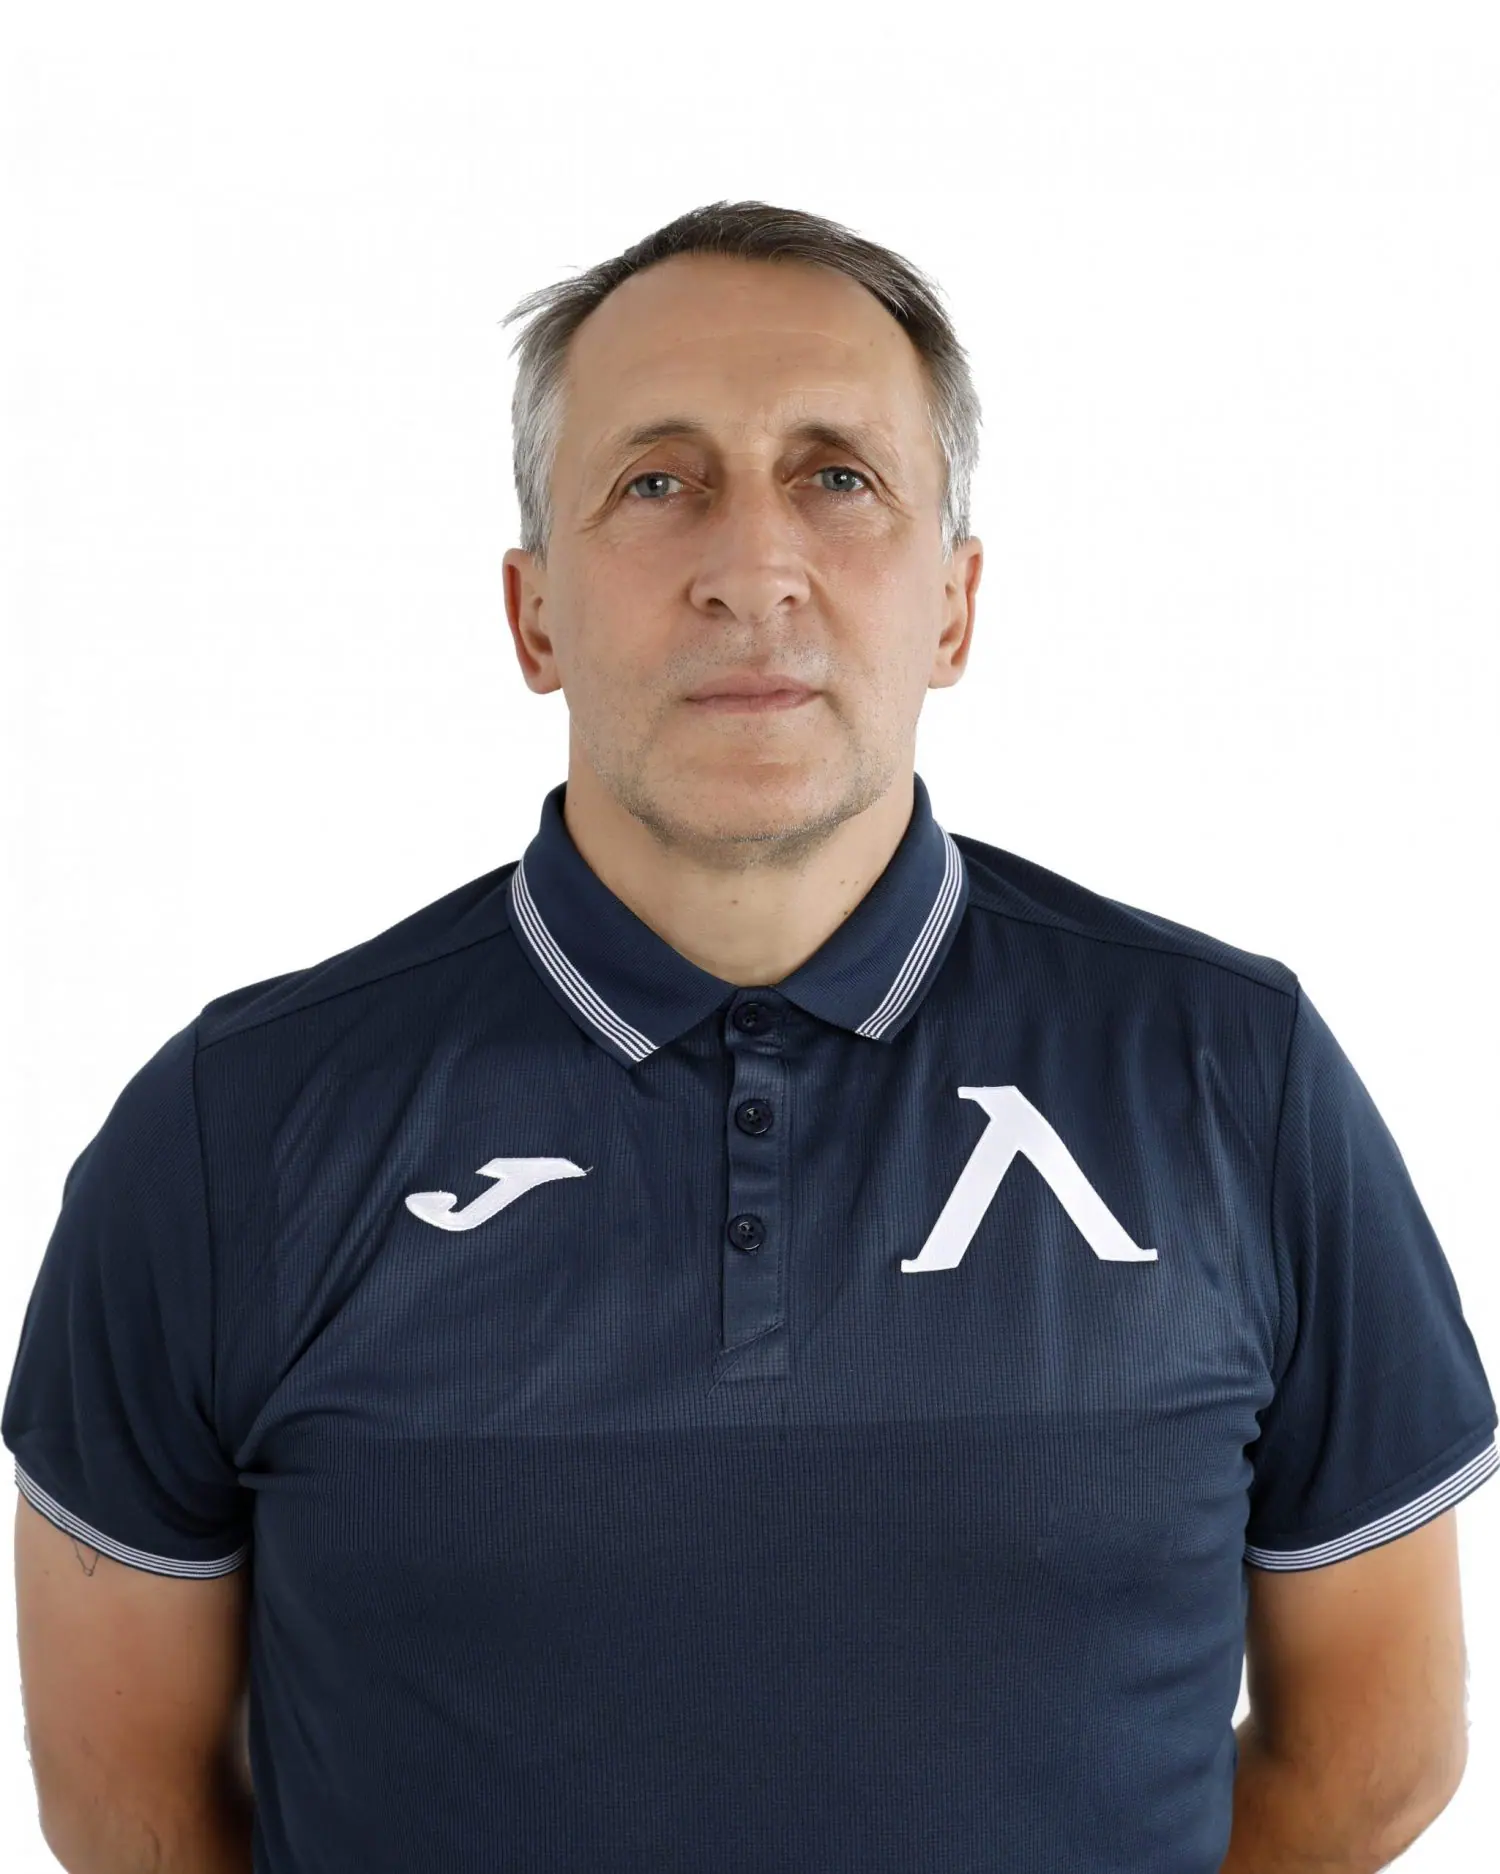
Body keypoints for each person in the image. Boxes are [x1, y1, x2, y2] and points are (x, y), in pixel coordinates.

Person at [5, 199, 1495, 1874]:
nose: (754, 568)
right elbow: (127, 1801)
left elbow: (1376, 1750)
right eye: (658, 483)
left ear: (955, 604)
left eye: (837, 477)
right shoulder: (235, 1131)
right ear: (533, 614)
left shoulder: (1231, 1076)